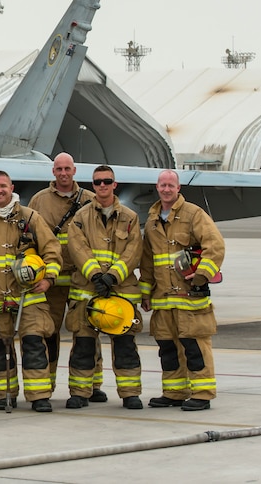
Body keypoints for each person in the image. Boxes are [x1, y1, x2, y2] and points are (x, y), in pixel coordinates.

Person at [0, 170, 61, 412]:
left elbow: (52, 250)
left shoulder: (32, 217)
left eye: (3, 186)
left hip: (29, 296)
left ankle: (39, 396)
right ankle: (3, 395)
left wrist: (48, 279)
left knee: (34, 344)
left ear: (12, 187)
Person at [141, 169, 225, 411]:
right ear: (157, 187)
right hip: (163, 300)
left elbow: (215, 245)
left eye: (171, 185)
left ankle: (202, 393)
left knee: (195, 347)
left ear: (178, 189)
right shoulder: (153, 219)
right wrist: (145, 292)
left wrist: (202, 276)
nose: (166, 189)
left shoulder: (194, 214)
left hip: (190, 298)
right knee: (168, 349)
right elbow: (148, 260)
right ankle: (174, 392)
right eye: (162, 185)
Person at [65, 166, 145, 409]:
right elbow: (77, 248)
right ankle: (80, 392)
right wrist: (96, 275)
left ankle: (130, 393)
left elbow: (134, 251)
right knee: (84, 345)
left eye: (106, 181)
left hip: (120, 292)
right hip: (88, 290)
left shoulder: (130, 218)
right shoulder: (80, 217)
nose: (102, 186)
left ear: (114, 184)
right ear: (93, 185)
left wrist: (112, 277)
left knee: (125, 346)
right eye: (97, 182)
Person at [28, 153, 104, 401]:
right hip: (51, 283)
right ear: (53, 172)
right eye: (58, 169)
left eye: (67, 169)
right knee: (48, 333)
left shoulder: (91, 201)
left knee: (88, 332)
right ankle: (45, 385)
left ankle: (93, 384)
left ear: (74, 171)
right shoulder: (39, 201)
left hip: (83, 281)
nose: (63, 173)